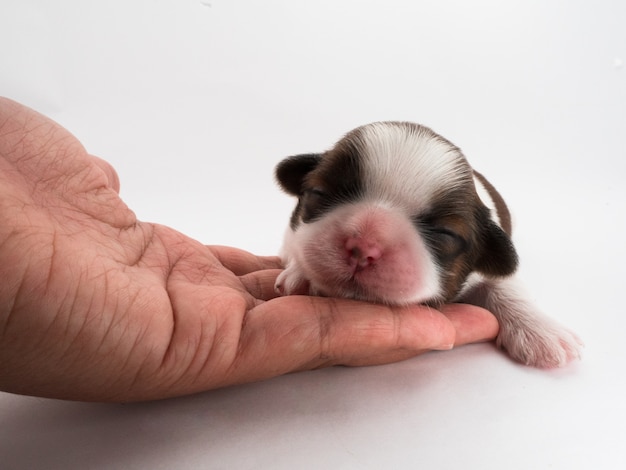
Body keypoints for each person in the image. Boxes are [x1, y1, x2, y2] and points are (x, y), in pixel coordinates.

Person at [0, 97, 499, 402]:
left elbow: (500, 280)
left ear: (481, 249)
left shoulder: (485, 242)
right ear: (304, 189)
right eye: (325, 198)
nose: (365, 246)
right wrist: (300, 260)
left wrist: (514, 309)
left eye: (442, 235)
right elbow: (297, 242)